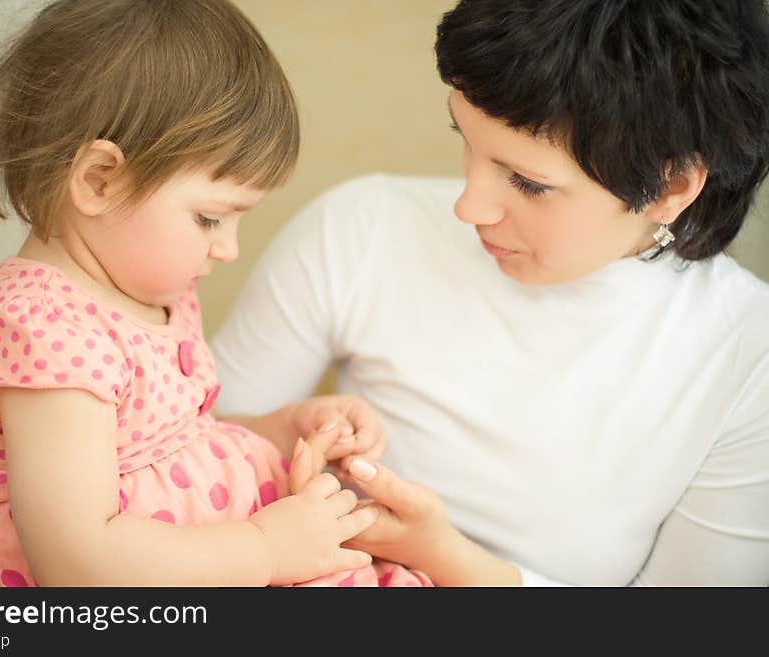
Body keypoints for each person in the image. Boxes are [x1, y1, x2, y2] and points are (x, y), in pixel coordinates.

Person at [211, 0, 769, 586]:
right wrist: (282, 438)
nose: (467, 206)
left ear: (670, 186)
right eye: (466, 138)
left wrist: (444, 557)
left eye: (529, 182)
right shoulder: (362, 227)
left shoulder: (746, 356)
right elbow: (187, 450)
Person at [0, 0, 431, 588]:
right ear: (99, 180)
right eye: (209, 218)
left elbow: (178, 446)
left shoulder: (149, 292)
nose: (227, 248)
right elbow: (78, 562)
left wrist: (282, 429)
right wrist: (266, 549)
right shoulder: (45, 336)